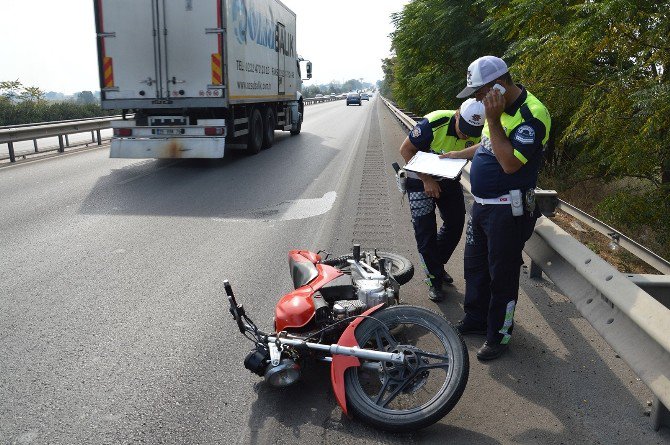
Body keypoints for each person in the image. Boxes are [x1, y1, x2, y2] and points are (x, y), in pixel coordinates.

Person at [442, 55, 551, 360]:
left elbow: (509, 163)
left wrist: (492, 118)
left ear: (499, 86)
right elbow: (488, 145)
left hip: (508, 211)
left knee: (501, 277)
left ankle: (499, 334)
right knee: (475, 267)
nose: (477, 99)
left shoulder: (532, 114)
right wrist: (456, 155)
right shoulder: (497, 109)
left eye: (479, 92)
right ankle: (476, 319)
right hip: (482, 207)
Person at [399, 98, 485, 302]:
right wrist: (427, 180)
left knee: (455, 223)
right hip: (419, 179)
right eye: (462, 129)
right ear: (457, 115)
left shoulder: (483, 129)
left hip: (447, 177)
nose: (465, 135)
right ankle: (434, 280)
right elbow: (406, 150)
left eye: (470, 133)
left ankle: (435, 265)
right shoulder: (435, 122)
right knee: (425, 231)